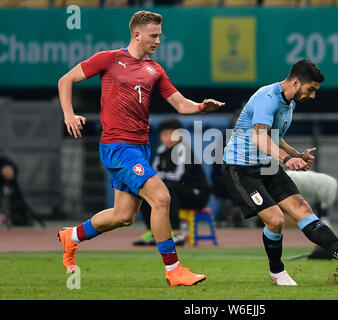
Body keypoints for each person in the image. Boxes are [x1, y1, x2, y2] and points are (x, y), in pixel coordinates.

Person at [57, 10, 224, 286]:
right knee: (162, 198)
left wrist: (199, 107)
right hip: (118, 147)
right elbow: (66, 80)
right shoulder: (109, 59)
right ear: (137, 34)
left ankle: (72, 236)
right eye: (154, 35)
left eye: (160, 35)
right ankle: (174, 271)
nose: (158, 40)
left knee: (123, 216)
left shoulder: (155, 70)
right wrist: (68, 114)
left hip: (140, 148)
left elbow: (181, 104)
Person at [221, 59, 338, 286]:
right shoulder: (267, 98)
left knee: (302, 208)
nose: (313, 96)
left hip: (266, 165)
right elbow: (259, 137)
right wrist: (287, 159)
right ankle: (277, 271)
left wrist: (296, 154)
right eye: (311, 89)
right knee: (276, 220)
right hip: (239, 169)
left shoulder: (289, 104)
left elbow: (274, 136)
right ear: (296, 81)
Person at [133, 118, 211, 246]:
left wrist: (158, 179)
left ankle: (177, 233)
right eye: (164, 134)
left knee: (168, 189)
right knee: (145, 191)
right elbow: (154, 173)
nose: (167, 137)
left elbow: (177, 176)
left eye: (171, 133)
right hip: (177, 191)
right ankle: (153, 232)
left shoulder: (182, 149)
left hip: (197, 194)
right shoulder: (161, 151)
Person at [285, 170, 338, 260]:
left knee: (322, 216)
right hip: (323, 184)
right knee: (323, 216)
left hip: (322, 185)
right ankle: (325, 247)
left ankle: (325, 247)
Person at [0, 153, 45, 228]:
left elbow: (12, 171)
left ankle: (27, 219)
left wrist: (9, 172)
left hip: (13, 190)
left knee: (20, 205)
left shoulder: (6, 162)